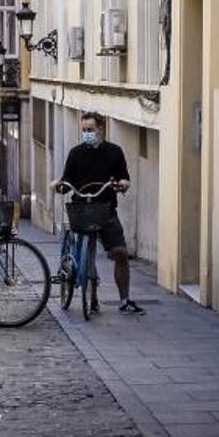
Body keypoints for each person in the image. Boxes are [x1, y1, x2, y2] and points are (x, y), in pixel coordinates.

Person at [51, 111, 144, 316]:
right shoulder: (75, 153)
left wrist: (123, 184)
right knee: (87, 252)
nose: (86, 133)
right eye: (83, 130)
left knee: (120, 252)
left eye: (90, 130)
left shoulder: (114, 152)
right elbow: (67, 179)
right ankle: (91, 296)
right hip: (81, 209)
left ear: (101, 129)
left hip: (106, 209)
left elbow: (124, 178)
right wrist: (59, 185)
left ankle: (124, 300)